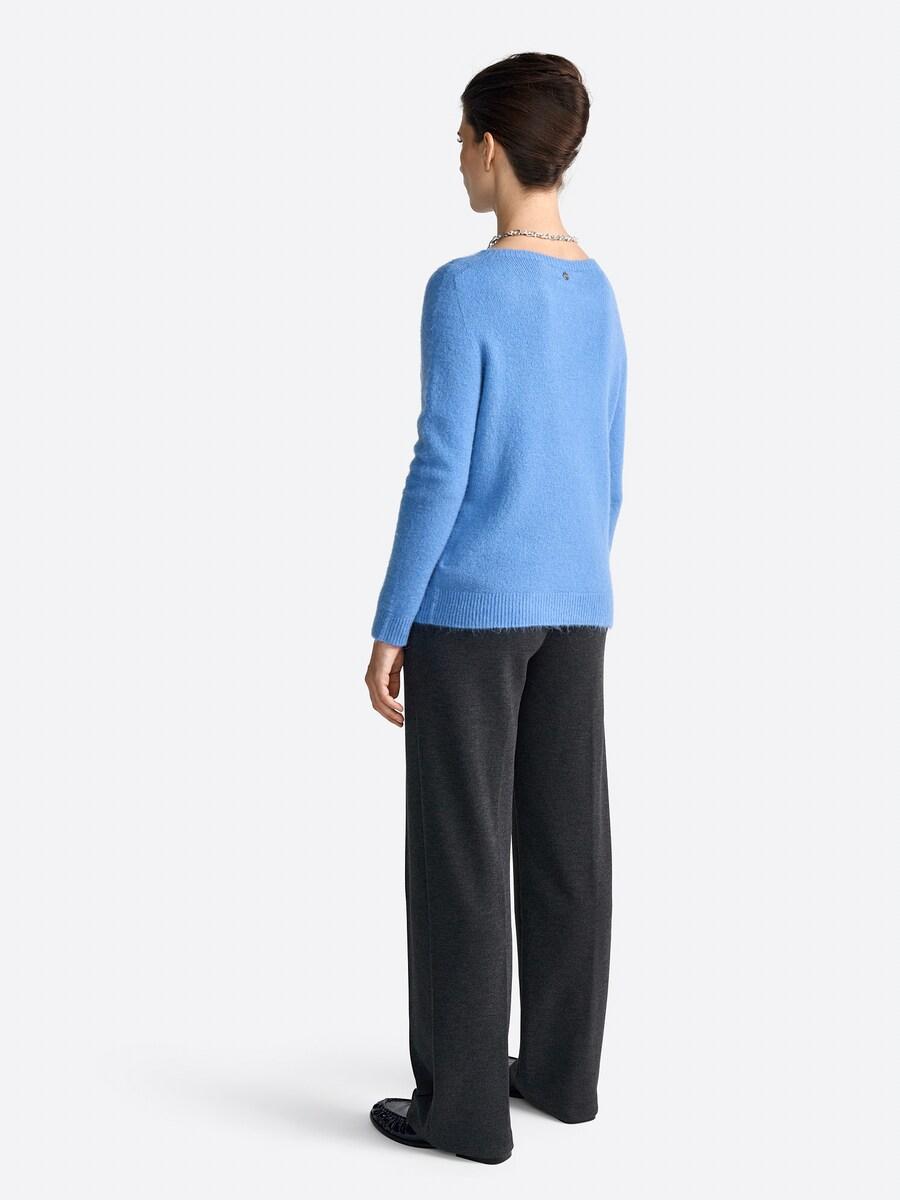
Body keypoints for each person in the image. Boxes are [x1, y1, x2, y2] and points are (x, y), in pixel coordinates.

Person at [364, 51, 628, 1166]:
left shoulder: (464, 289)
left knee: (462, 853)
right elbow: (609, 462)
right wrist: (576, 570)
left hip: (471, 609)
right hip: (578, 599)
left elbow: (442, 466)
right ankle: (562, 1076)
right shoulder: (599, 290)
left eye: (460, 137)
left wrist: (392, 621)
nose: (457, 159)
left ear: (488, 145)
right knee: (569, 843)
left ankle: (462, 1110)